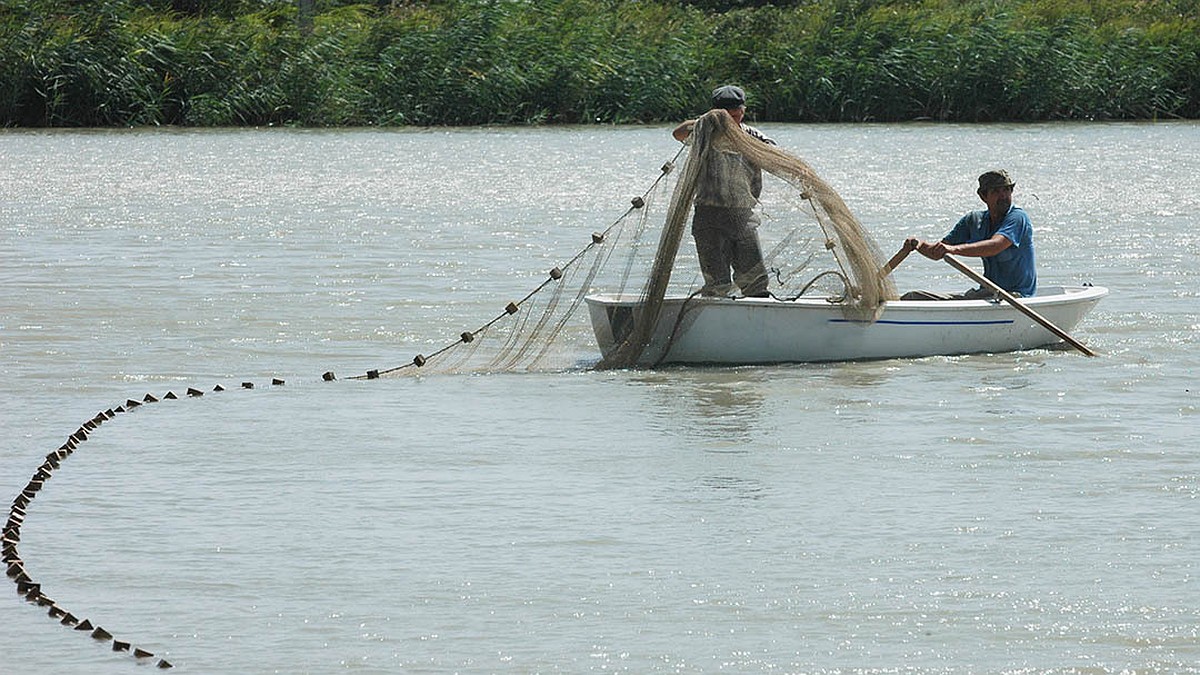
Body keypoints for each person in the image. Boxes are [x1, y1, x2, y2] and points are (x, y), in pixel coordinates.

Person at [672, 85, 776, 298]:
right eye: (727, 116)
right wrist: (706, 121)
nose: (733, 121)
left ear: (743, 111)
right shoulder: (703, 133)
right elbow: (678, 133)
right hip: (709, 216)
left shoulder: (752, 136)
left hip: (743, 216)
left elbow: (774, 154)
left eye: (737, 115)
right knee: (717, 283)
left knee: (756, 282)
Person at [902, 169, 1037, 300]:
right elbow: (938, 252)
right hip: (988, 294)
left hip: (1016, 297)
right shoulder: (973, 220)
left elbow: (995, 245)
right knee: (912, 297)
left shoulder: (1018, 217)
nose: (1003, 196)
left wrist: (954, 250)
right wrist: (918, 245)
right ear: (983, 196)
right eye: (996, 191)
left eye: (1006, 190)